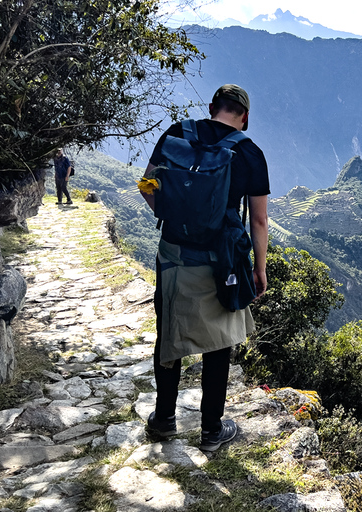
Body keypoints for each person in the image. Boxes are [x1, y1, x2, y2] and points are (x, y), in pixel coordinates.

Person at [140, 84, 270, 451]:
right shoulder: (249, 153)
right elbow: (258, 221)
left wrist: (171, 215)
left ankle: (164, 418)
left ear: (212, 107)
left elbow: (146, 184)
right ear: (244, 117)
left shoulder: (176, 133)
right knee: (219, 344)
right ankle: (211, 429)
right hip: (221, 261)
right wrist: (260, 268)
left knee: (169, 332)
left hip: (174, 254)